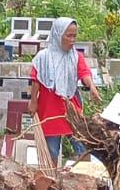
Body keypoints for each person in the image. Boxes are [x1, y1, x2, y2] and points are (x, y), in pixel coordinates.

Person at [29, 17, 102, 163]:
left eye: (74, 36)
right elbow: (36, 81)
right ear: (58, 35)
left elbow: (84, 73)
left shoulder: (75, 56)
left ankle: (84, 178)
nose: (72, 40)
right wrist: (33, 102)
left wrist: (92, 87)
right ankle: (51, 180)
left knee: (82, 146)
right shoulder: (43, 58)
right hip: (50, 110)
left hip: (71, 110)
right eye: (68, 36)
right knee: (51, 151)